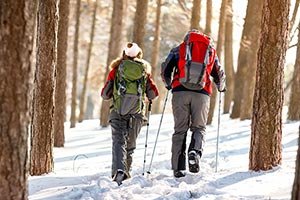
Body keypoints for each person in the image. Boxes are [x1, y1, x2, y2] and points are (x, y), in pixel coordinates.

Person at [161, 30, 226, 178]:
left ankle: (178, 168)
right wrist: (221, 87)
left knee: (180, 130)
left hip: (179, 92)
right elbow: (219, 73)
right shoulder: (210, 51)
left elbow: (165, 69)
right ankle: (194, 152)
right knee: (199, 128)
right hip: (202, 94)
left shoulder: (178, 50)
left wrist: (169, 84)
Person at [101, 42, 159, 185]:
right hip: (137, 113)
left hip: (118, 110)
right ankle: (125, 173)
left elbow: (105, 95)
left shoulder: (116, 70)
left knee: (118, 142)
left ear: (124, 54)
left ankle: (119, 171)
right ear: (139, 54)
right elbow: (153, 94)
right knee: (130, 145)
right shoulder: (144, 70)